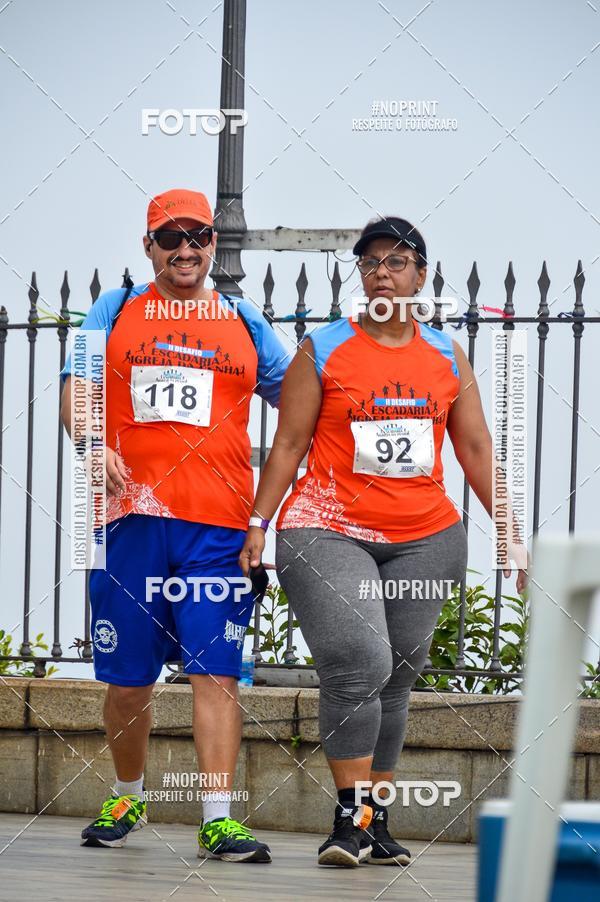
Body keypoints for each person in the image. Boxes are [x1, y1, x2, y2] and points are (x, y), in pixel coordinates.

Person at [239, 216, 528, 867]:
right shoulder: (326, 348)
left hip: (424, 537)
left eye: (397, 262)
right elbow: (288, 444)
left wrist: (509, 529)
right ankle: (347, 820)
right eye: (370, 263)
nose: (382, 273)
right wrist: (258, 523)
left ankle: (374, 821)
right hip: (327, 528)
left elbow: (476, 449)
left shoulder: (446, 356)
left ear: (421, 275)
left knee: (396, 675)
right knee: (358, 659)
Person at [60, 188, 289, 862]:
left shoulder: (245, 319)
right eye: (171, 238)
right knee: (128, 679)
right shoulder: (118, 307)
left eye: (199, 237)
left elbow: (302, 403)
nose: (186, 250)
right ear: (148, 246)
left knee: (215, 673)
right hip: (131, 520)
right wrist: (91, 440)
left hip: (218, 529)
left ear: (215, 243)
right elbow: (77, 387)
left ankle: (218, 817)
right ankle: (128, 792)